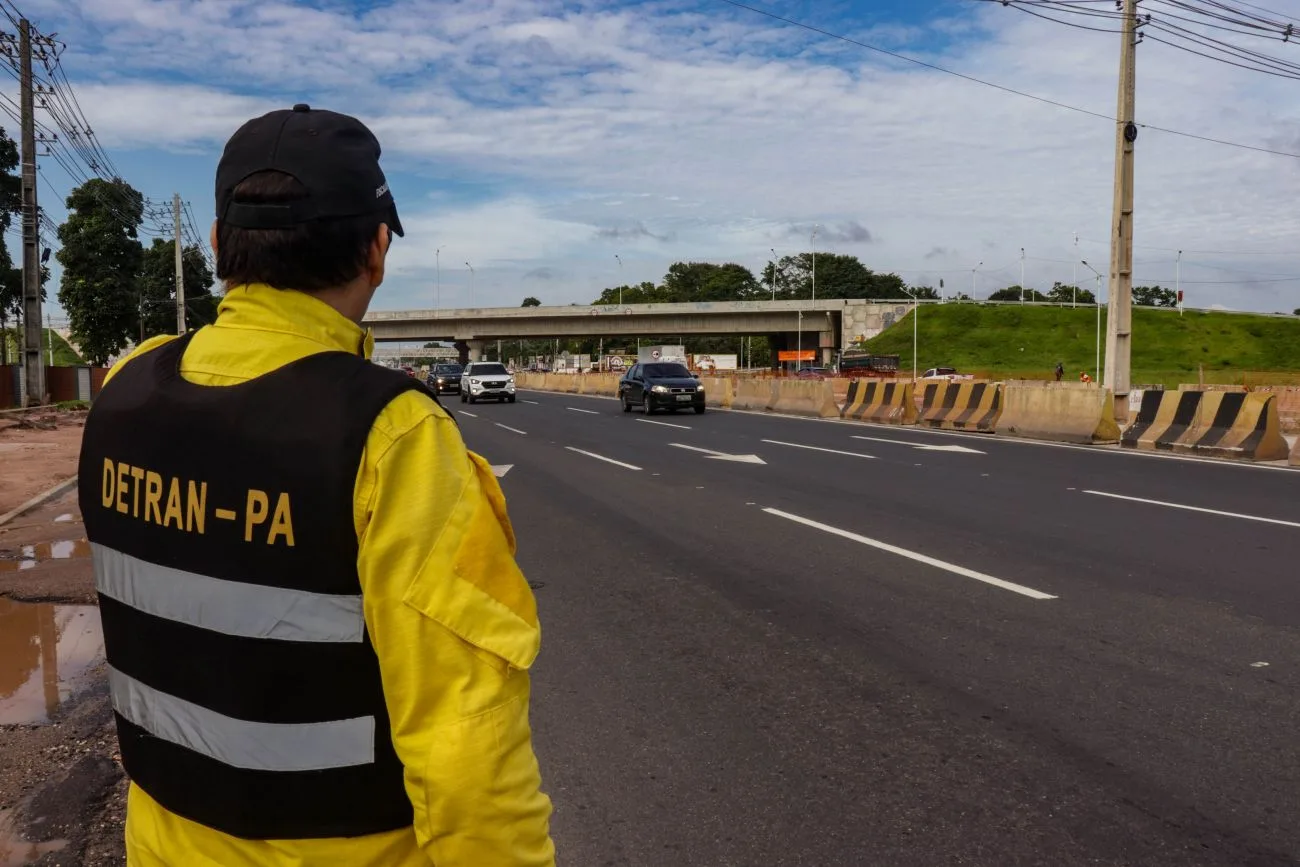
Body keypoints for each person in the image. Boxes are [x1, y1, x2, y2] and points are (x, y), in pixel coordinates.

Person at [78, 105, 555, 867]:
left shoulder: (126, 391)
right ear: (376, 249)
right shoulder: (392, 436)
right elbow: (467, 752)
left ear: (215, 246)